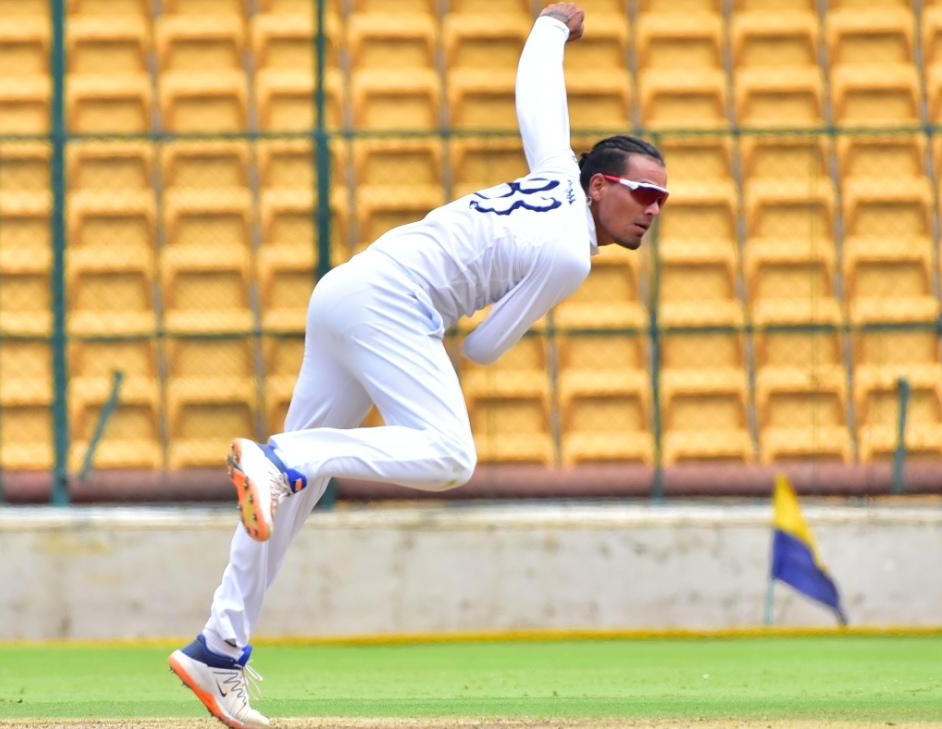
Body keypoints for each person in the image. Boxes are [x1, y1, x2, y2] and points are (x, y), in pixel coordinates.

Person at [167, 3, 669, 727]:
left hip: (347, 288)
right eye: (643, 193)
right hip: (394, 305)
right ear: (602, 186)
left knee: (287, 500)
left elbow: (538, 90)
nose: (653, 209)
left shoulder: (560, 171)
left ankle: (219, 647)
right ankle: (289, 458)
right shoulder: (570, 254)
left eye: (662, 199)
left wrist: (551, 26)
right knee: (449, 456)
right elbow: (481, 347)